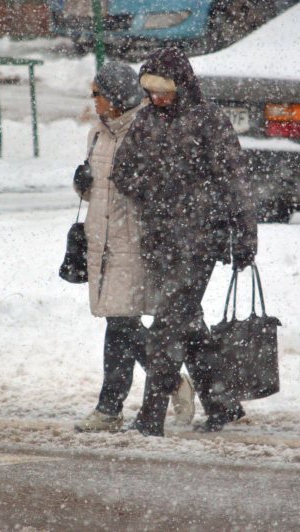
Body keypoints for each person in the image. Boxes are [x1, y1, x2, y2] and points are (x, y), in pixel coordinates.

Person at [109, 48, 258, 436]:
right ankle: (222, 403)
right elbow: (123, 172)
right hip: (160, 240)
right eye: (150, 90)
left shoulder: (209, 120)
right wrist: (157, 189)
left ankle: (151, 416)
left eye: (163, 90)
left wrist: (244, 235)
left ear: (182, 85)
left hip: (200, 241)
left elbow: (234, 180)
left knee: (167, 327)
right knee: (187, 323)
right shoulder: (146, 121)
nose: (157, 98)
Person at [73, 61, 195, 433]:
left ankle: (117, 404)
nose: (93, 102)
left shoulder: (144, 132)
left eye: (98, 94)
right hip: (103, 242)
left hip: (134, 243)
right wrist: (82, 185)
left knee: (121, 322)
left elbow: (156, 190)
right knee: (119, 321)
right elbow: (99, 192)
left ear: (117, 97)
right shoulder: (97, 135)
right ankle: (144, 391)